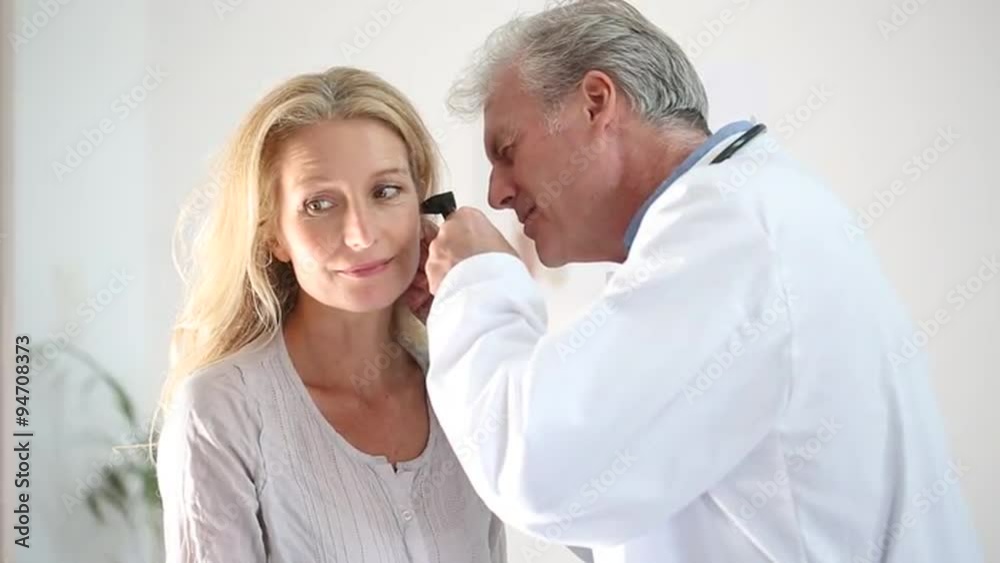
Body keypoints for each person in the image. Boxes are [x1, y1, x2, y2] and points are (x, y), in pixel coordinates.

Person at [417, 1, 982, 562]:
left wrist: (476, 285)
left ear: (596, 102)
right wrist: (453, 324)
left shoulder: (733, 231)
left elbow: (543, 475)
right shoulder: (744, 214)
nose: (496, 194)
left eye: (507, 151)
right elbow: (624, 496)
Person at [155, 66, 505, 563]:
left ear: (420, 205)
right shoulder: (222, 411)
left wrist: (487, 322)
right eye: (319, 204)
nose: (360, 234)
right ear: (273, 235)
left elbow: (602, 524)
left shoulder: (470, 385)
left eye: (386, 192)